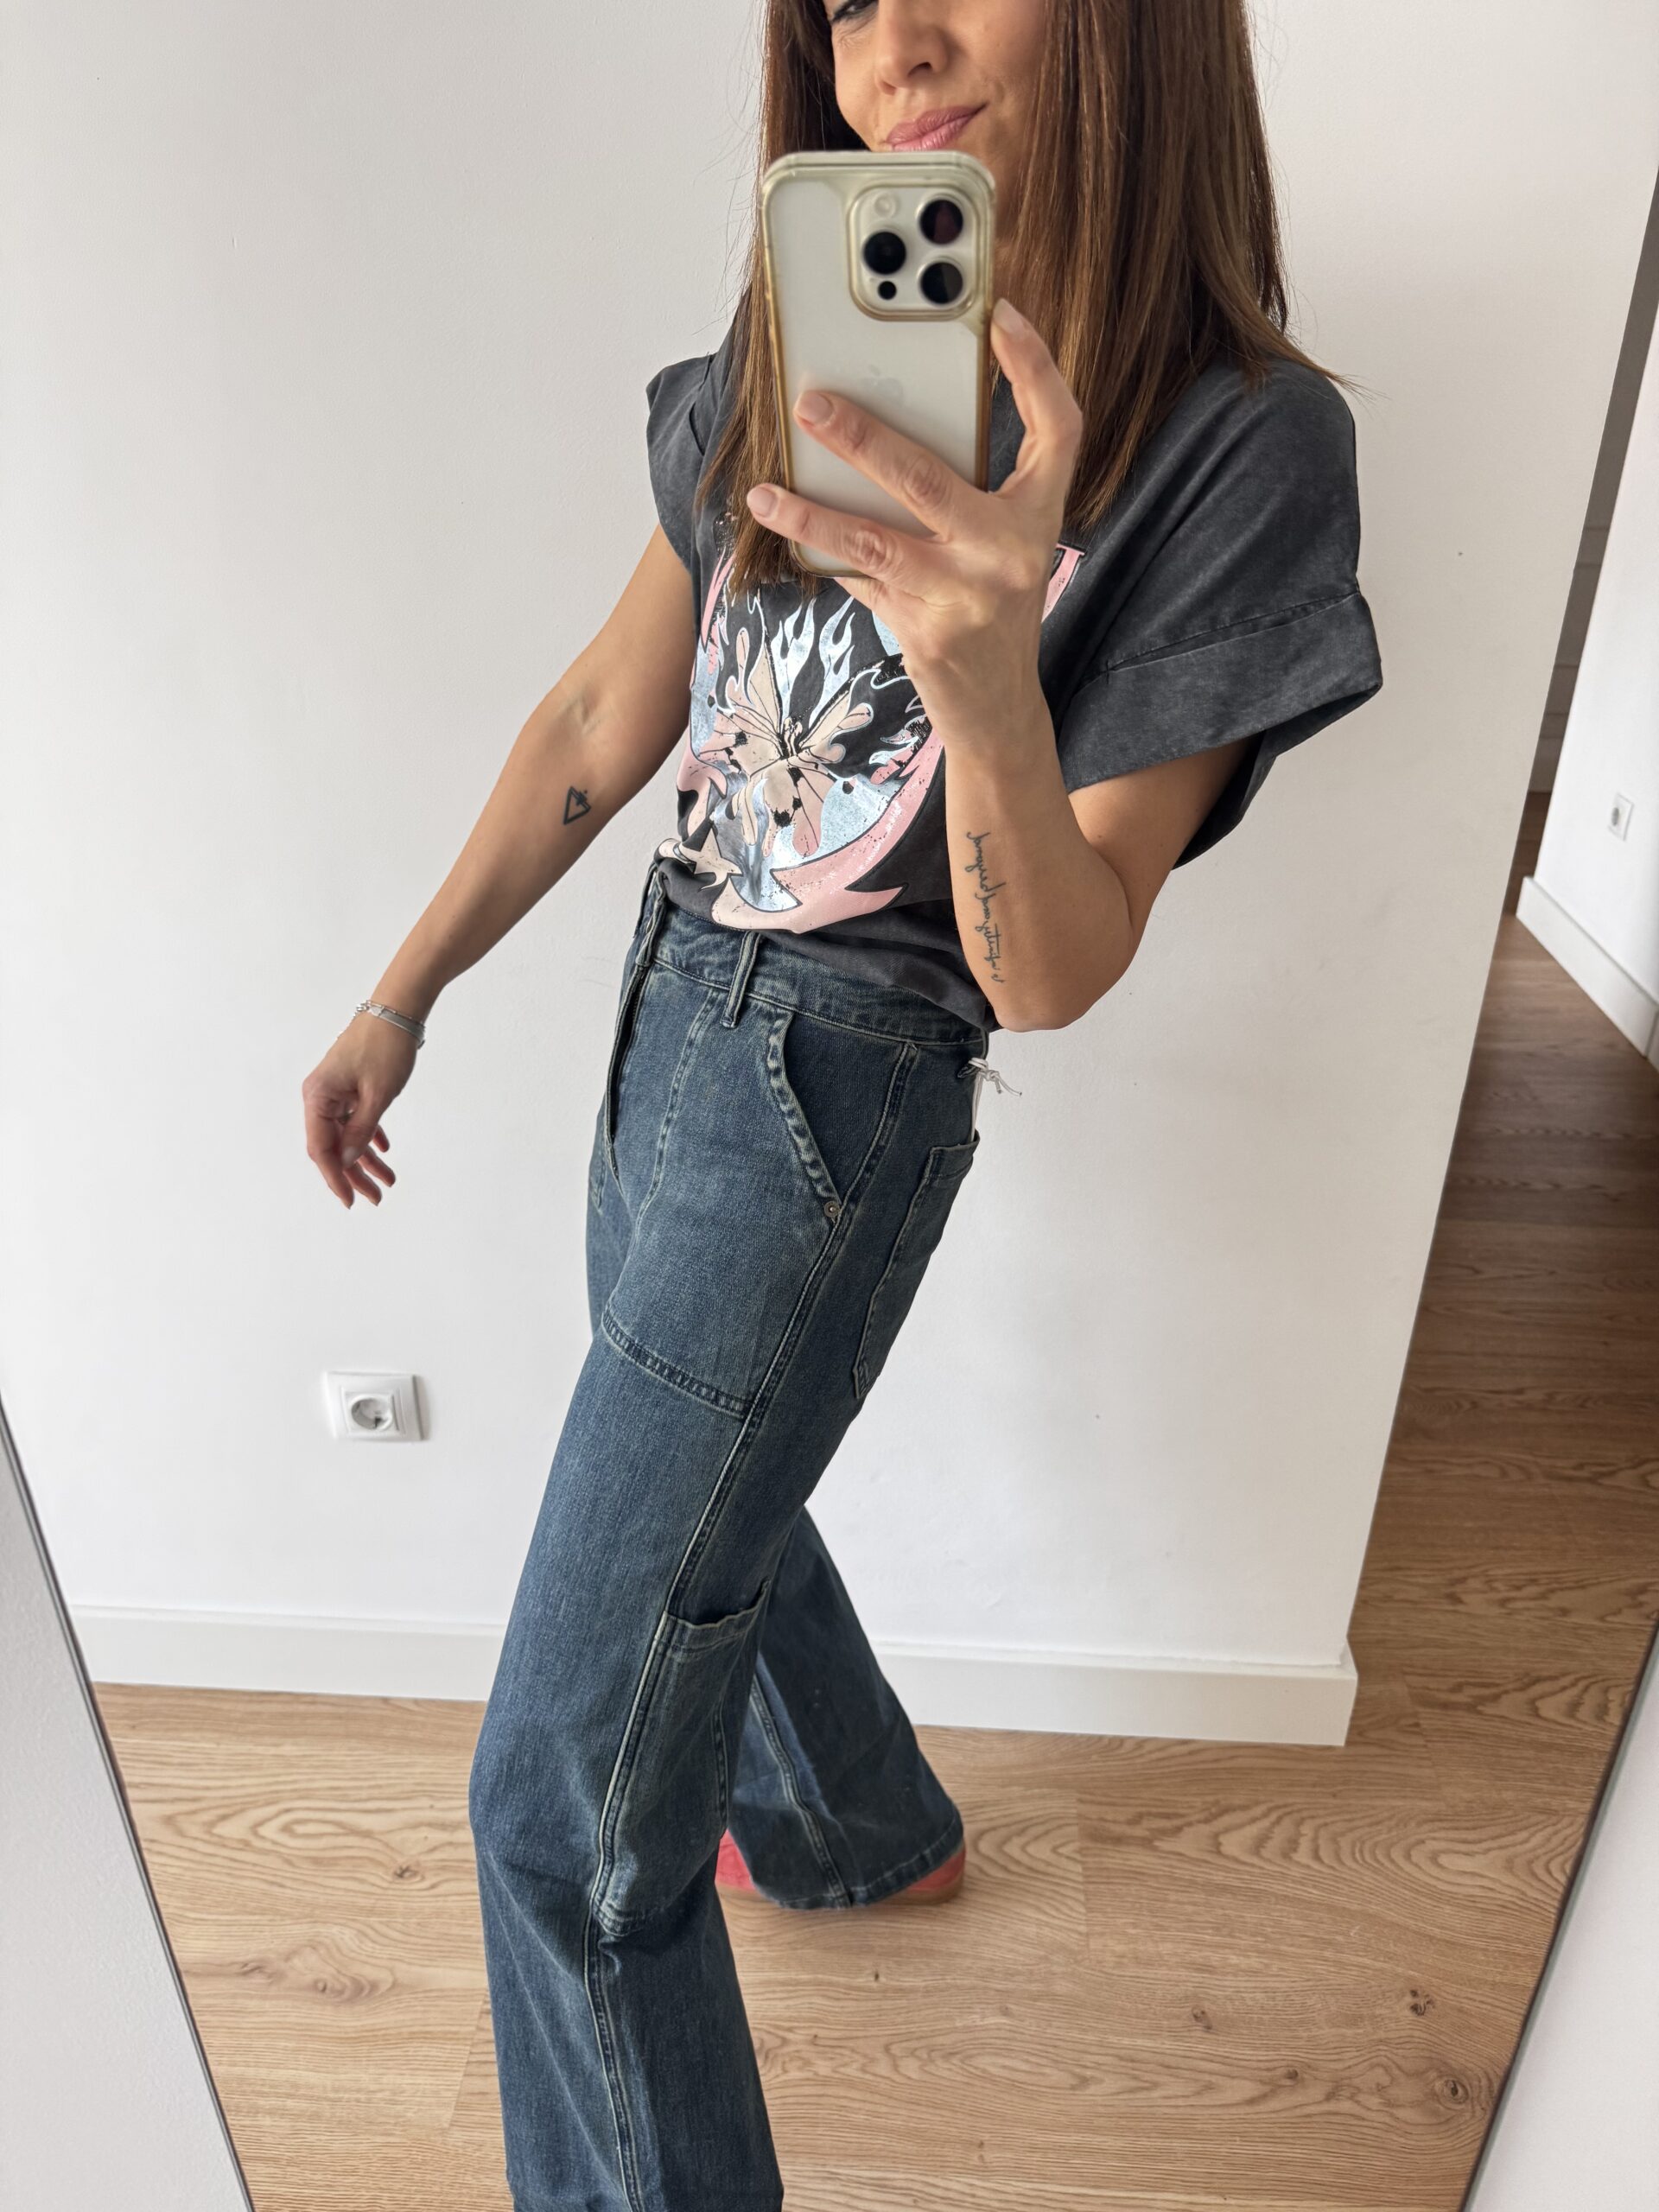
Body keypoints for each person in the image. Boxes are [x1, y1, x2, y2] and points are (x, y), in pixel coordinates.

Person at [300, 1, 1382, 2203]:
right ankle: (854, 1821)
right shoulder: (805, 329)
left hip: (836, 1085)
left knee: (561, 1809)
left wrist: (988, 676)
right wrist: (405, 988)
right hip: (667, 1006)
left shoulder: (1239, 441)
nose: (891, 41)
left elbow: (1052, 967)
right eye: (841, 2)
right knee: (715, 1504)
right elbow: (606, 711)